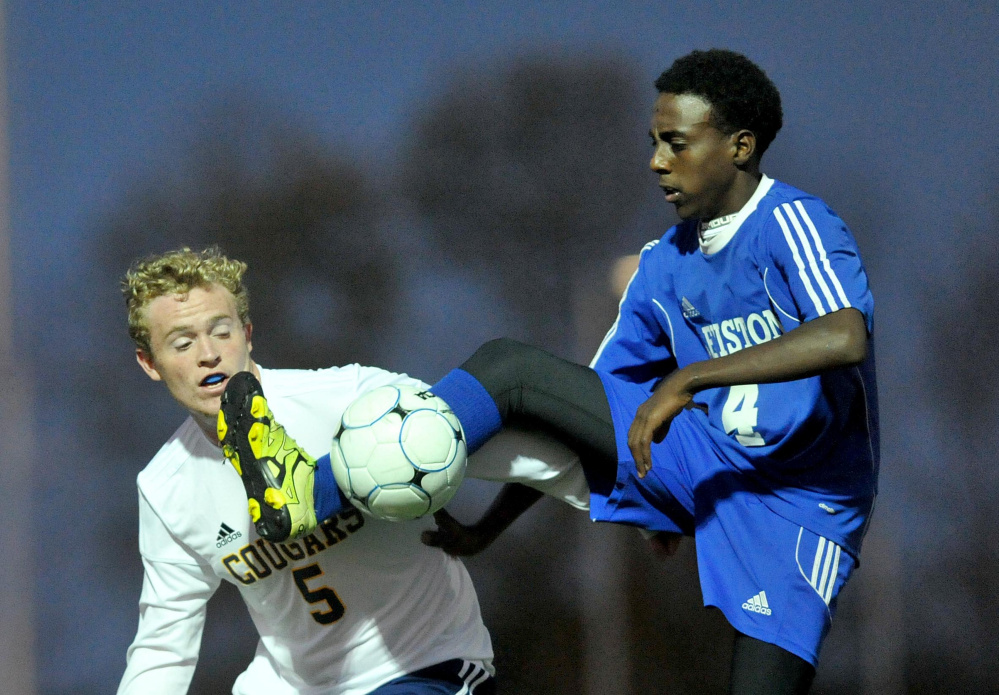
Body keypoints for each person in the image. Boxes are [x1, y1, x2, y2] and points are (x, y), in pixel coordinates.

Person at [256, 49, 877, 694]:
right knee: (511, 372)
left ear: (741, 146)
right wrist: (491, 525)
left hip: (804, 504)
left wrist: (687, 379)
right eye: (653, 142)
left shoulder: (794, 222)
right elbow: (570, 411)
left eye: (677, 143)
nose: (657, 161)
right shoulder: (664, 263)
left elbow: (845, 334)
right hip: (704, 459)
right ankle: (303, 497)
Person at [117, 246, 589, 695]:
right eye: (182, 342)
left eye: (221, 331)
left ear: (248, 333)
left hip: (425, 665)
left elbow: (503, 448)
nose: (208, 353)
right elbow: (163, 646)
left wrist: (624, 490)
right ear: (149, 363)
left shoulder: (353, 400)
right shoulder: (164, 487)